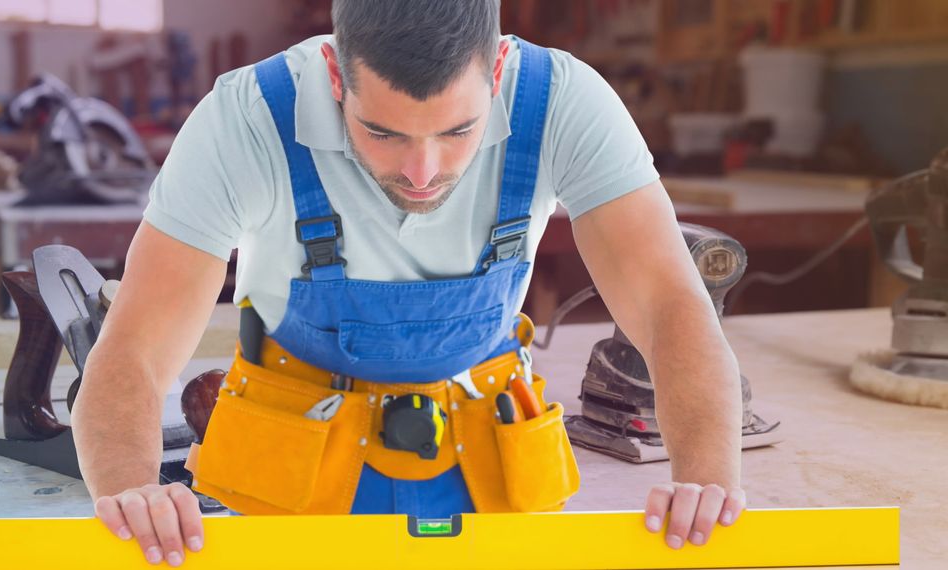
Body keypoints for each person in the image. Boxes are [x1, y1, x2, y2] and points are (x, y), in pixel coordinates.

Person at [72, 1, 746, 567]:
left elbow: (667, 302)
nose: (422, 171)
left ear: (499, 70)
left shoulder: (562, 100)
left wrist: (707, 479)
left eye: (458, 131)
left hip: (487, 448)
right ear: (335, 73)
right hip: (292, 459)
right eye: (383, 132)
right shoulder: (245, 119)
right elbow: (135, 344)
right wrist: (132, 490)